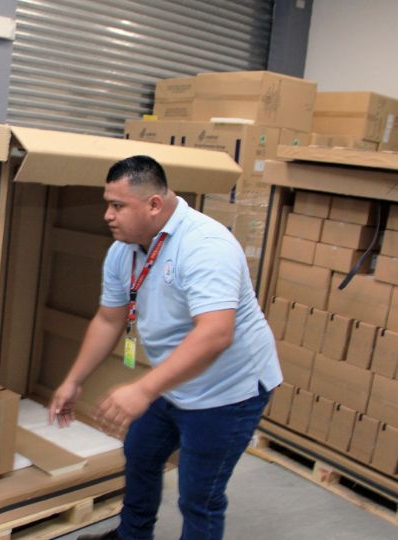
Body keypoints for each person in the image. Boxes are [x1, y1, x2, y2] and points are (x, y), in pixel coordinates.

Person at [48, 155, 282, 540]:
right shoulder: (124, 250)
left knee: (199, 496)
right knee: (141, 452)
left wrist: (143, 389)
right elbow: (109, 319)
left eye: (118, 205)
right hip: (176, 379)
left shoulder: (206, 246)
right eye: (108, 204)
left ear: (154, 204)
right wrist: (74, 380)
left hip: (228, 390)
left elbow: (215, 334)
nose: (108, 215)